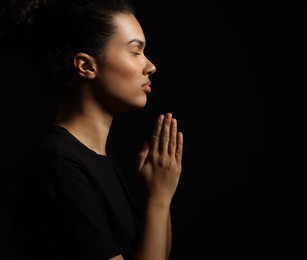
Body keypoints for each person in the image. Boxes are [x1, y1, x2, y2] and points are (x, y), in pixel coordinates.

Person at [0, 0, 184, 259]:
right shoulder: (60, 166)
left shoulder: (96, 158)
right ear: (86, 66)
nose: (150, 66)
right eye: (135, 51)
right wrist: (159, 200)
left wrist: (157, 195)